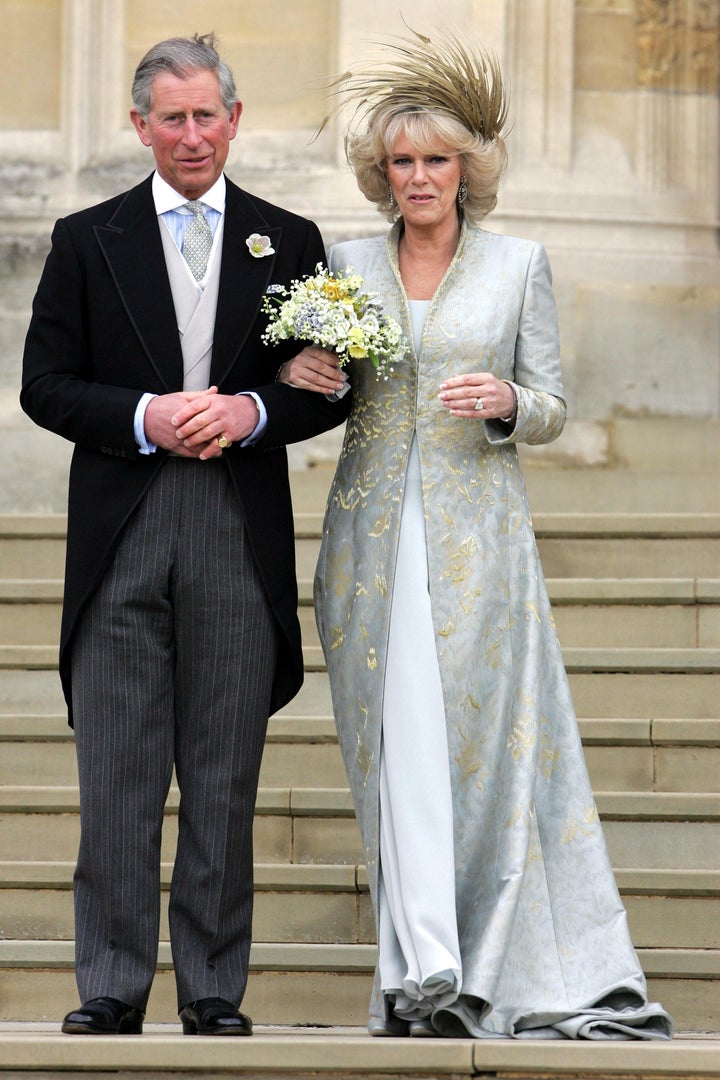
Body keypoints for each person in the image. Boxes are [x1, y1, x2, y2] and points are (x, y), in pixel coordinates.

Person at [279, 31, 673, 1040]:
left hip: (478, 548)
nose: (419, 178)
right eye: (403, 161)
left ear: (468, 169)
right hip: (368, 548)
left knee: (471, 752)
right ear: (383, 171)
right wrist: (301, 377)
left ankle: (474, 962)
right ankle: (418, 970)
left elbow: (551, 403)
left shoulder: (517, 265)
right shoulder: (344, 264)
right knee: (393, 750)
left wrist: (505, 398)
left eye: (437, 161)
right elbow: (321, 385)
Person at [20, 33, 350, 1037]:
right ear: (141, 126)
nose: (194, 134)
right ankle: (112, 984)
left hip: (232, 524)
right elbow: (45, 384)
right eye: (174, 117)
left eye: (210, 115)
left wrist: (253, 411)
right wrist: (143, 415)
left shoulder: (288, 239)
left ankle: (212, 988)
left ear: (236, 120)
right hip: (122, 524)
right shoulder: (87, 238)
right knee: (116, 769)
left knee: (221, 770)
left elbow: (329, 380)